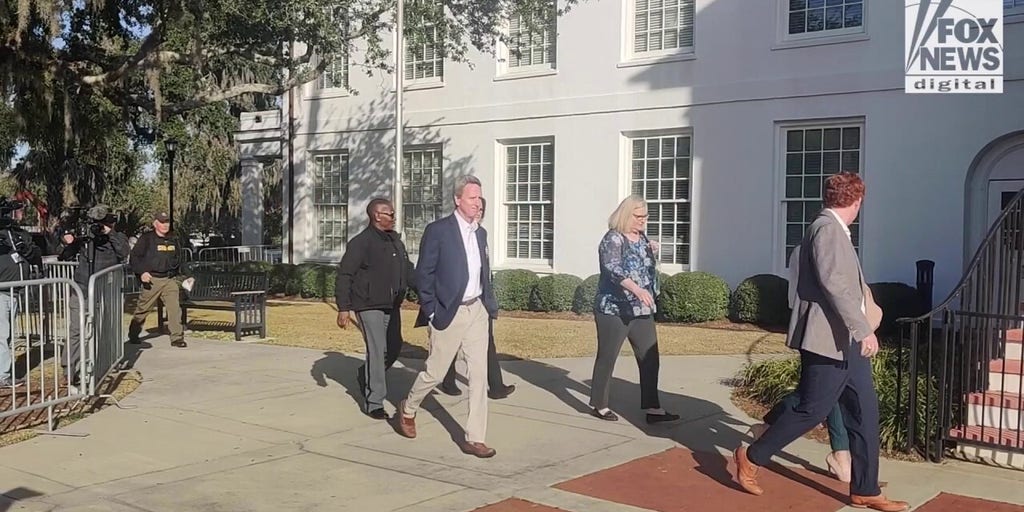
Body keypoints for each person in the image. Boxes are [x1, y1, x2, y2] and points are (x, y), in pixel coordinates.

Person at [733, 172, 907, 512]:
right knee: (810, 410)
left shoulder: (835, 230)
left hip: (846, 342)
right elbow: (834, 283)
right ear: (857, 201)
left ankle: (866, 489)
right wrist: (863, 328)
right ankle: (751, 458)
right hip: (828, 340)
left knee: (864, 413)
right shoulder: (826, 229)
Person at [395, 175, 500, 458]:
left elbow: (483, 273)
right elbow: (424, 274)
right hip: (448, 311)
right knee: (436, 372)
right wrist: (431, 310)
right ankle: (408, 407)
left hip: (476, 310)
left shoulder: (480, 233)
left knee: (479, 375)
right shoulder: (438, 231)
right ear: (457, 199)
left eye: (479, 198)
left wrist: (489, 305)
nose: (478, 203)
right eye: (472, 198)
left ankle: (475, 438)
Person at [588, 195, 679, 425]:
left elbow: (643, 267)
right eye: (638, 216)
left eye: (645, 216)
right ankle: (599, 404)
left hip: (641, 310)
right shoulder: (613, 238)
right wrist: (636, 290)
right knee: (607, 357)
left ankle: (653, 407)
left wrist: (651, 251)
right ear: (626, 215)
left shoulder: (641, 238)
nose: (643, 220)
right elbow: (613, 269)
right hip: (614, 309)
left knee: (650, 358)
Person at [335, 198, 415, 420]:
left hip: (392, 304)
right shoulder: (361, 242)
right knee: (377, 350)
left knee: (394, 347)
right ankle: (375, 402)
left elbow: (408, 270)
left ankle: (367, 373)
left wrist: (427, 290)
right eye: (390, 214)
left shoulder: (395, 242)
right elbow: (345, 275)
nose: (394, 218)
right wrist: (343, 307)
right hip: (368, 304)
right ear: (377, 216)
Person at [440, 197, 515, 400]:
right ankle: (447, 380)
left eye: (481, 210)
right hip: (457, 301)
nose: (478, 213)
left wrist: (489, 300)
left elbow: (484, 270)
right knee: (452, 342)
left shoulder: (481, 234)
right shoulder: (452, 235)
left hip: (481, 300)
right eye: (475, 208)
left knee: (488, 343)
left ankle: (496, 386)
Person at [58, 205, 129, 388]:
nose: (99, 226)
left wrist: (109, 233)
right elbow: (64, 255)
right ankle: (69, 370)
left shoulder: (117, 237)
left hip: (105, 290)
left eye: (104, 222)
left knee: (104, 329)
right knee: (77, 330)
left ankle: (102, 364)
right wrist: (69, 241)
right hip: (82, 288)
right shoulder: (85, 236)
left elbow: (124, 253)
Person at [127, 211, 187, 348]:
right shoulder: (146, 238)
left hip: (169, 279)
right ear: (155, 223)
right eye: (162, 222)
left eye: (167, 222)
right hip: (152, 280)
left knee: (174, 309)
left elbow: (180, 260)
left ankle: (177, 338)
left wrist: (187, 275)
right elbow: (134, 257)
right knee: (143, 309)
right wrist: (142, 272)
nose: (165, 225)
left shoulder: (174, 239)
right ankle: (134, 334)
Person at [0, 201, 41, 388]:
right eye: (9, 212)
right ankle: (3, 375)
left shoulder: (19, 234)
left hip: (15, 292)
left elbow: (36, 254)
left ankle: (4, 372)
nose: (17, 214)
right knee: (2, 335)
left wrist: (26, 249)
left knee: (7, 335)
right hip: (2, 291)